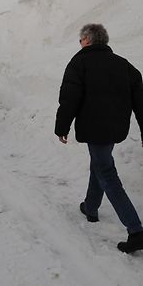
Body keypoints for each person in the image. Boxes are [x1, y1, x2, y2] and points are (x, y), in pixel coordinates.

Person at [55, 23, 143, 253]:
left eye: (80, 40)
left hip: (95, 128)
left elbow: (69, 97)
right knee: (100, 163)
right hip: (115, 129)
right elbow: (140, 99)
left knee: (106, 172)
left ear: (87, 40)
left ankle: (136, 231)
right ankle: (91, 208)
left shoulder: (79, 62)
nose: (80, 43)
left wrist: (61, 126)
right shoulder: (124, 65)